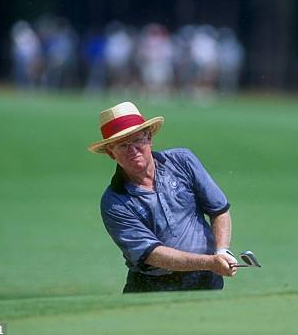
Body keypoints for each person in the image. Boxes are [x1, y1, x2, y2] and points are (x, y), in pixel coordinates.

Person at [88, 101, 238, 292]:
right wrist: (210, 262)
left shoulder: (182, 160)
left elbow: (219, 210)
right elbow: (153, 254)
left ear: (149, 138)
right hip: (152, 287)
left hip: (206, 281)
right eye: (122, 145)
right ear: (111, 153)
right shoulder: (114, 202)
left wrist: (222, 251)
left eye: (137, 140)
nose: (132, 150)